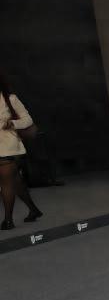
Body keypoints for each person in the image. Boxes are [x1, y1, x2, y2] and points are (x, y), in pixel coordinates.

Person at [0, 71, 41, 229]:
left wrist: (13, 123)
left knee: (6, 182)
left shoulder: (10, 99)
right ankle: (34, 210)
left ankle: (8, 220)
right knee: (14, 181)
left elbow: (28, 120)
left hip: (8, 146)